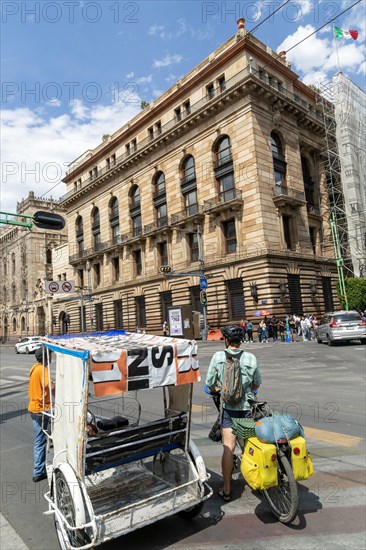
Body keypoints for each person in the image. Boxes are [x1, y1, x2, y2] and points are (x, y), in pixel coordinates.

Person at [206, 325, 262, 502]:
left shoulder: (218, 357)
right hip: (246, 409)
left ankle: (227, 489)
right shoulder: (251, 358)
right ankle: (256, 481)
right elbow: (256, 384)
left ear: (226, 340)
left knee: (228, 447)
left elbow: (210, 384)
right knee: (248, 447)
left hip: (228, 410)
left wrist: (222, 389)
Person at [28, 347, 54, 482]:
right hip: (41, 409)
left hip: (34, 408)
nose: (51, 358)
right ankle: (39, 471)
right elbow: (51, 386)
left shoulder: (34, 367)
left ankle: (39, 470)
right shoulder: (42, 369)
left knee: (39, 440)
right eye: (50, 355)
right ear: (45, 357)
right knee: (44, 440)